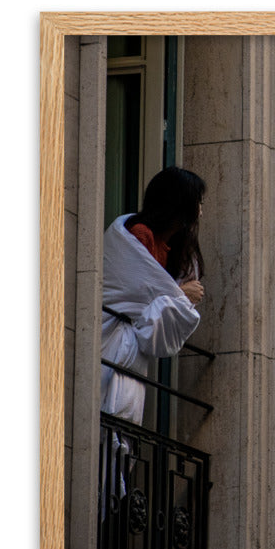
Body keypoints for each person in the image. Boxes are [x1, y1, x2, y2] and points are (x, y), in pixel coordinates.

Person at [100, 167, 207, 426]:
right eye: (198, 202)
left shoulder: (172, 247)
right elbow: (136, 292)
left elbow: (154, 297)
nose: (201, 210)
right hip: (114, 339)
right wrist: (180, 295)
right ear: (180, 203)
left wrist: (175, 297)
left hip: (134, 351)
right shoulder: (141, 234)